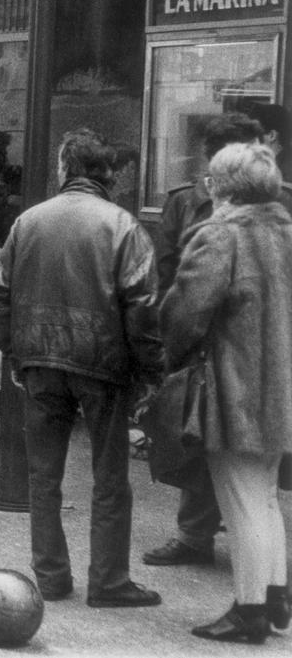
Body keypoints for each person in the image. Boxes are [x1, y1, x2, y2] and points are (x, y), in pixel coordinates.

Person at [0, 127, 164, 608]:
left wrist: (14, 352)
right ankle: (108, 581)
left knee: (44, 478)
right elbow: (143, 306)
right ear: (107, 175)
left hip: (39, 360)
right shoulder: (123, 226)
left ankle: (51, 578)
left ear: (65, 169)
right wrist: (151, 372)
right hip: (103, 365)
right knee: (110, 478)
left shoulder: (28, 221)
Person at [143, 114, 292, 569]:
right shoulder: (278, 221)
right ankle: (264, 589)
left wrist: (173, 343)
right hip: (266, 371)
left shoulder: (224, 232)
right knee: (257, 491)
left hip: (233, 372)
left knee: (246, 495)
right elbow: (168, 267)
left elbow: (186, 308)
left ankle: (255, 605)